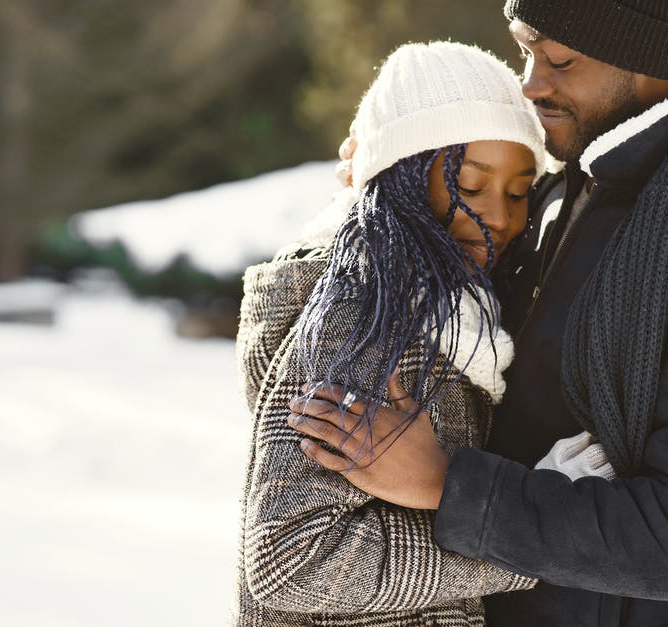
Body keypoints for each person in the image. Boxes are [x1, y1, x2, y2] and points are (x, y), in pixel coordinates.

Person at [289, 1, 668, 626]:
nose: (532, 82)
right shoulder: (556, 196)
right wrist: (374, 207)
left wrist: (449, 484)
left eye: (559, 59)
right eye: (527, 50)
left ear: (649, 60)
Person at [234, 41, 549, 626]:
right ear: (402, 178)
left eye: (518, 191)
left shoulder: (447, 312)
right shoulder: (364, 315)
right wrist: (528, 543)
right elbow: (290, 560)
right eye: (471, 187)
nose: (502, 218)